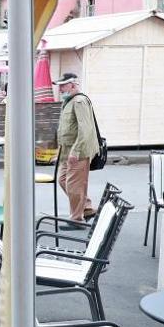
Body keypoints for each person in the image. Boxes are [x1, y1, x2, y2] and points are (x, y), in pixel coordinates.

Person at [55, 71, 101, 221]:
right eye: (59, 86)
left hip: (78, 151)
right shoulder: (68, 101)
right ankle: (86, 207)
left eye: (63, 86)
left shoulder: (79, 101)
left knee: (74, 185)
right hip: (66, 151)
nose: (60, 89)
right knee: (63, 180)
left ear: (73, 85)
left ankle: (76, 219)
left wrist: (76, 151)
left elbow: (85, 129)